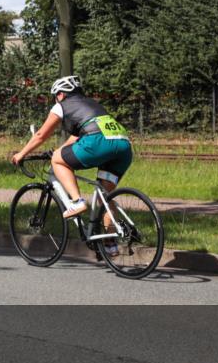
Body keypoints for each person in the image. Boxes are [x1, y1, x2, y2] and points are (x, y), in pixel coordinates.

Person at [11, 76, 133, 256]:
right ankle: (110, 244)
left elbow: (40, 135)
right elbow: (75, 138)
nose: (55, 99)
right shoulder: (91, 104)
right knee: (104, 198)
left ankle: (77, 201)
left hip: (98, 142)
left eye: (55, 96)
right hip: (123, 146)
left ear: (60, 94)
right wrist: (59, 150)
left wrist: (21, 154)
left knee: (57, 161)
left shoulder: (61, 105)